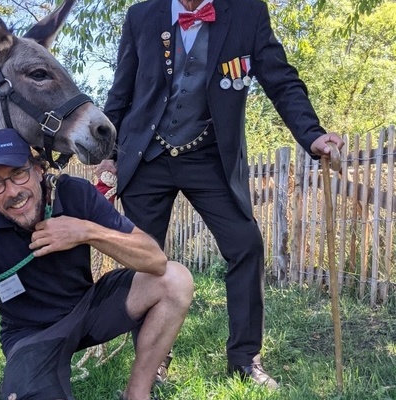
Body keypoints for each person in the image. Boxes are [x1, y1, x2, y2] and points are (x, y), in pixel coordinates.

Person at [98, 0, 345, 389]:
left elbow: (280, 80)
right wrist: (109, 154)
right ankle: (155, 359)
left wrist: (312, 134)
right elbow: (122, 90)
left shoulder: (247, 13)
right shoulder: (140, 16)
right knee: (145, 262)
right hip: (146, 155)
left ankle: (244, 360)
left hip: (209, 156)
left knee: (246, 245)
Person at [0, 128, 194, 400]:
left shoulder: (75, 194)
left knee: (174, 280)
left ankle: (137, 392)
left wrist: (86, 232)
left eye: (18, 173)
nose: (13, 191)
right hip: (31, 334)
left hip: (90, 307)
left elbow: (154, 260)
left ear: (39, 169)